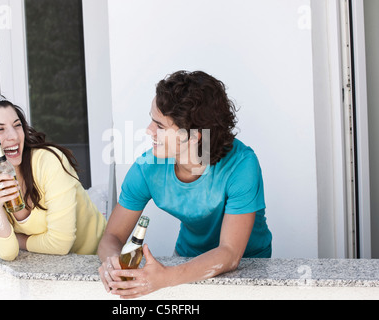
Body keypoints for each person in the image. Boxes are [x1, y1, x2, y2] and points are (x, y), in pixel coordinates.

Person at [98, 70, 272, 299]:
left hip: (248, 263)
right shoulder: (146, 168)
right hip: (186, 257)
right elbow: (112, 237)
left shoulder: (241, 165)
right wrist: (113, 263)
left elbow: (229, 253)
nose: (149, 131)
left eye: (160, 126)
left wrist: (165, 278)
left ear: (193, 136)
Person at [0, 93, 106, 261]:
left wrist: (17, 239)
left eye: (17, 125)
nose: (14, 136)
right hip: (43, 265)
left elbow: (60, 245)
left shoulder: (48, 161)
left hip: (95, 260)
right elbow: (7, 252)